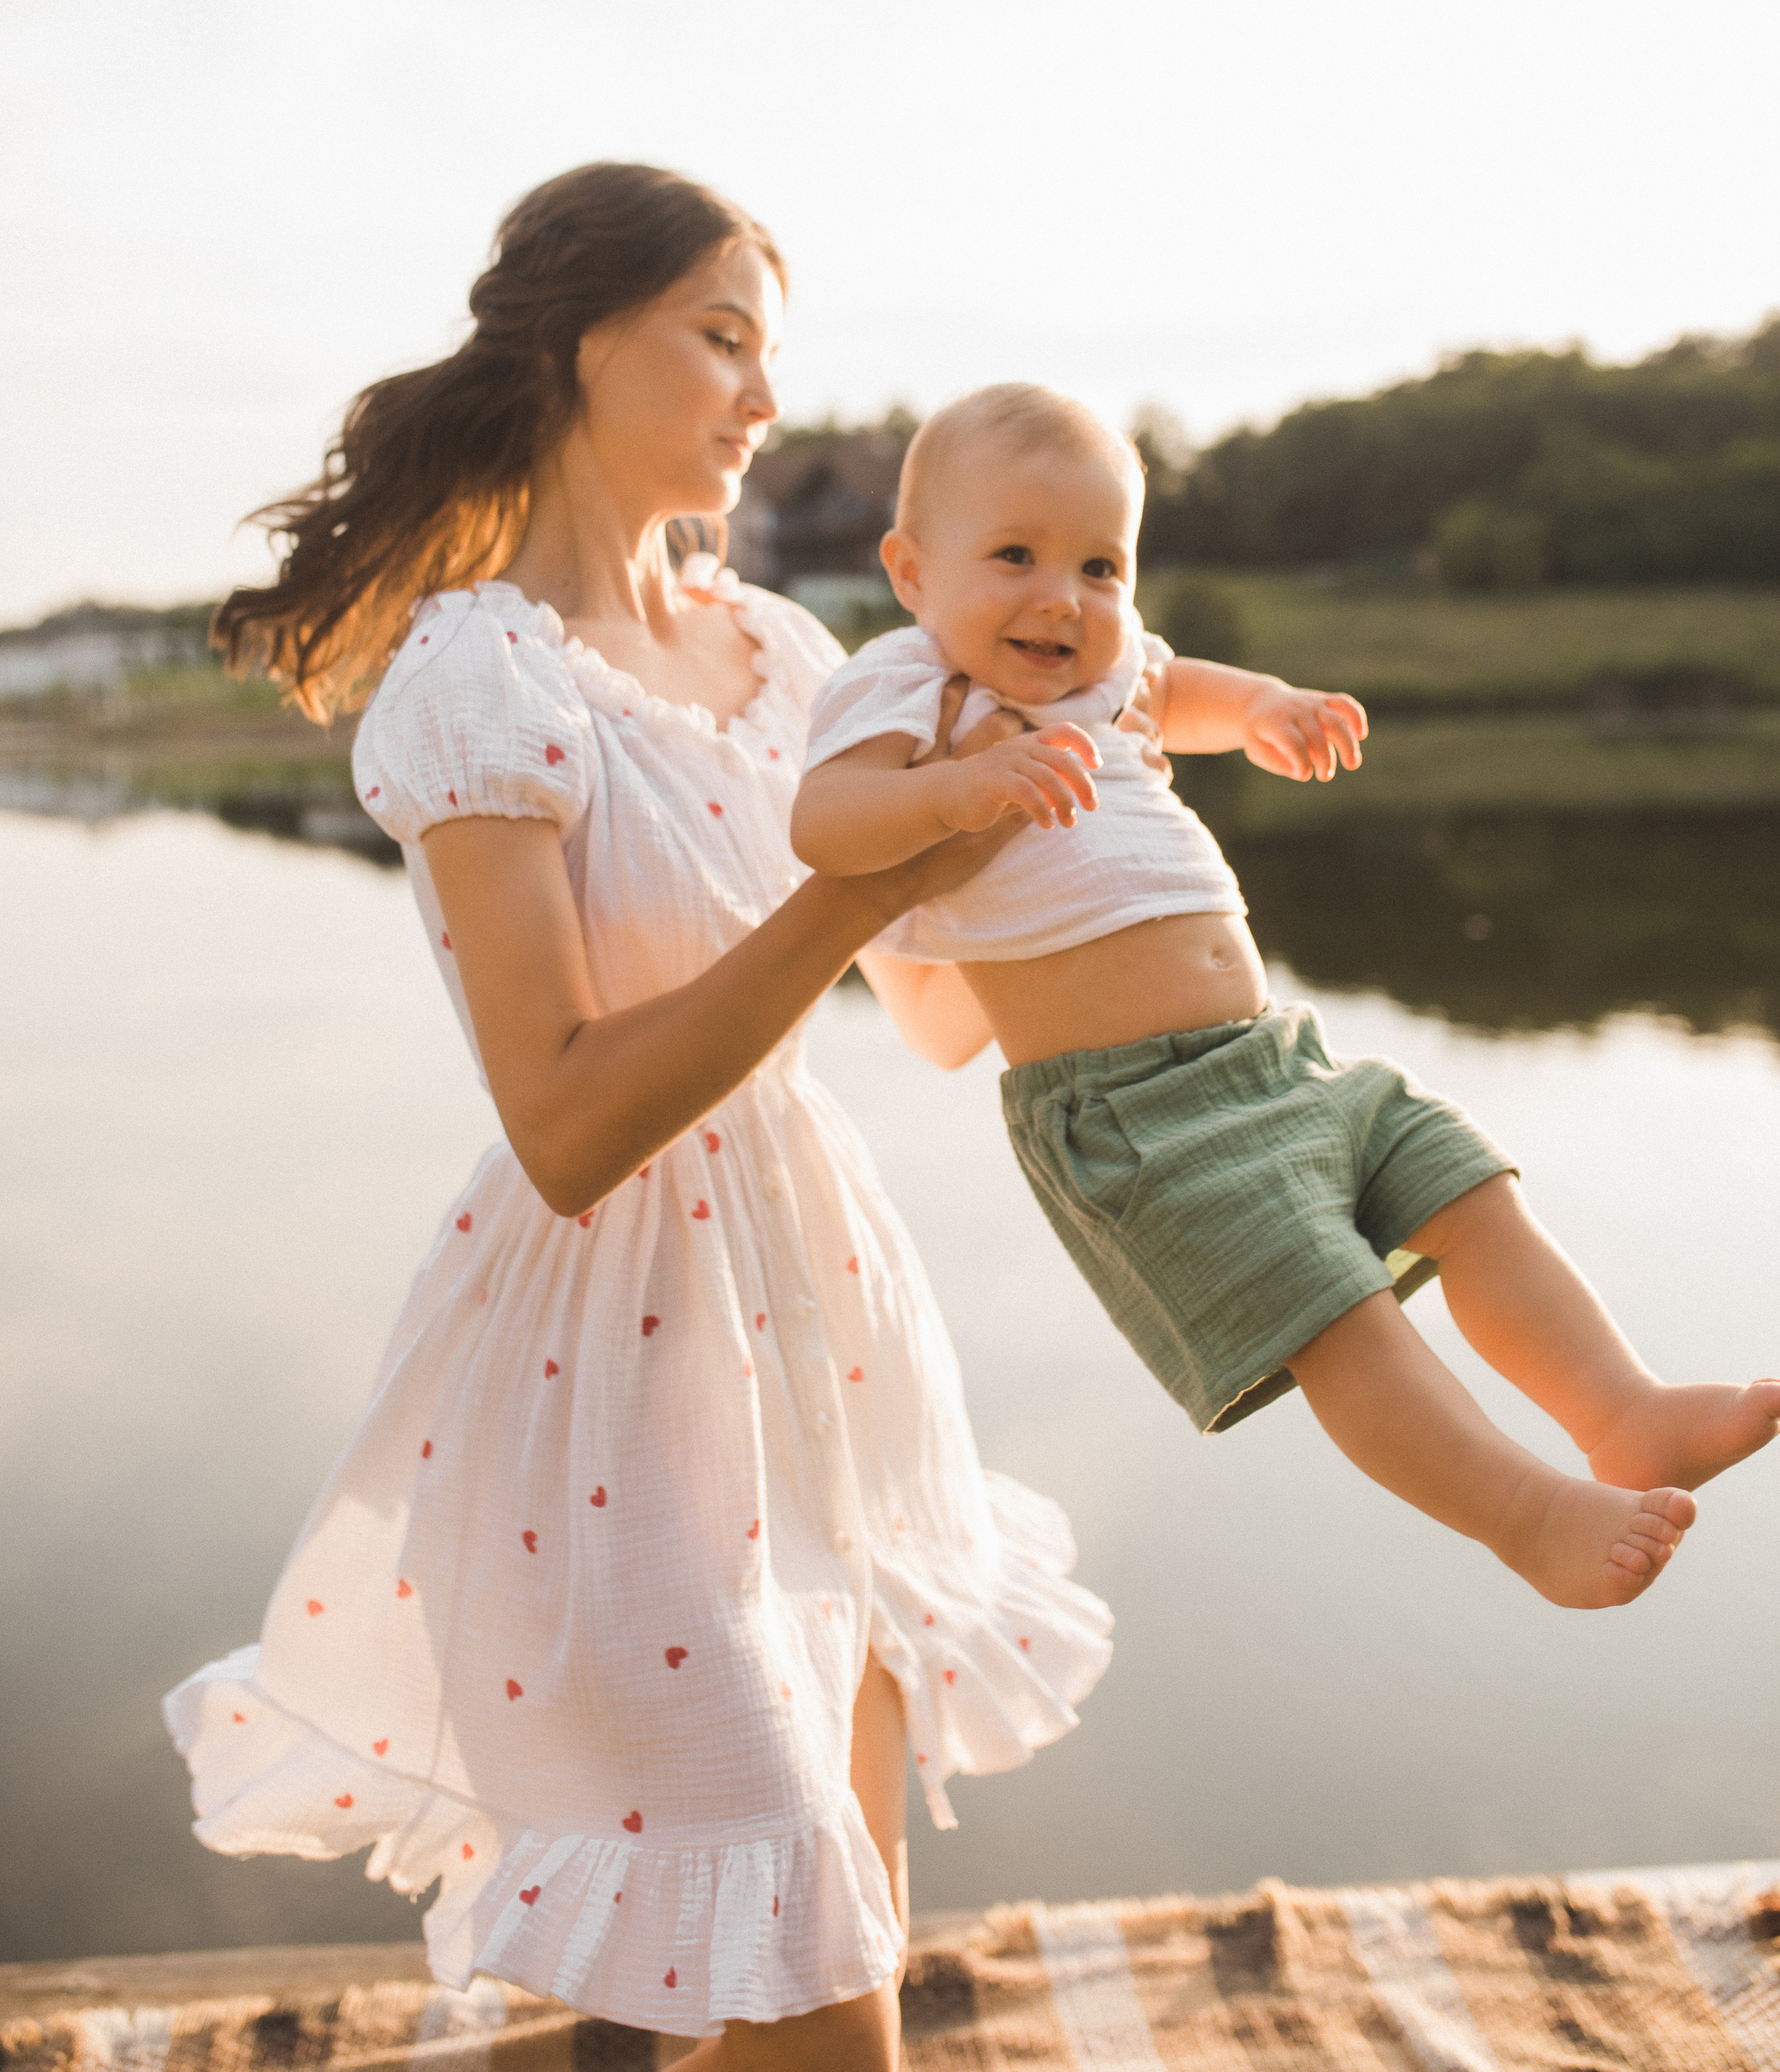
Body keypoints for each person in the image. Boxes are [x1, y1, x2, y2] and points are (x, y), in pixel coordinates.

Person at [163, 174, 1112, 2072]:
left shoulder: (775, 645)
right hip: (618, 1352)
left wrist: (1090, 876)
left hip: (818, 1309)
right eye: (725, 336)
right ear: (582, 340)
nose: (763, 395)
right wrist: (852, 895)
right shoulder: (476, 680)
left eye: (773, 347)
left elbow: (924, 1010)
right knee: (817, 1996)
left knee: (831, 1924)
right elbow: (570, 1119)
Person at [791, 382, 1780, 1612]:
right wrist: (950, 796)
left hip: (1274, 1059)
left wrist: (1263, 709)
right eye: (1015, 555)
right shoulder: (913, 691)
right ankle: (1525, 1516)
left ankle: (1621, 1410)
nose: (1064, 596)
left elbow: (1178, 685)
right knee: (1337, 1314)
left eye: (1103, 566)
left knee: (1465, 1188)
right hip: (1135, 1116)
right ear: (908, 570)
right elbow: (824, 822)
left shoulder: (1108, 681)